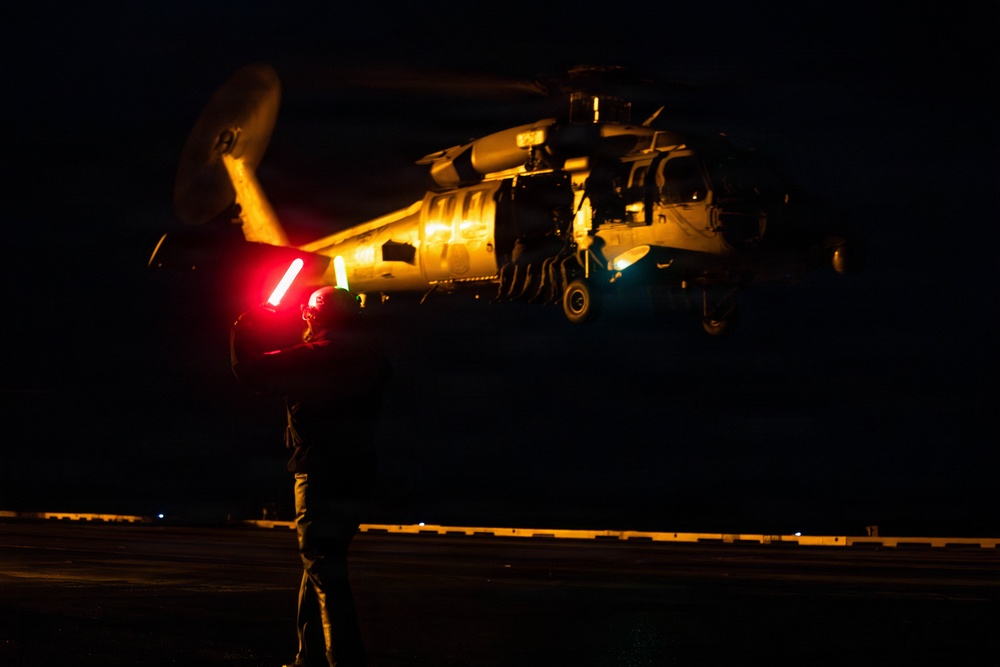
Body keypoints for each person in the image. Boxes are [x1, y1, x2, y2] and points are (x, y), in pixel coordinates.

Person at [231, 286, 391, 667]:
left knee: (321, 563)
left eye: (309, 312)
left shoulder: (321, 354)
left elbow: (252, 372)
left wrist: (243, 327)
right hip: (358, 470)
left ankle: (344, 660)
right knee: (320, 563)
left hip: (320, 470)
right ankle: (311, 656)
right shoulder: (371, 354)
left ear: (316, 316)